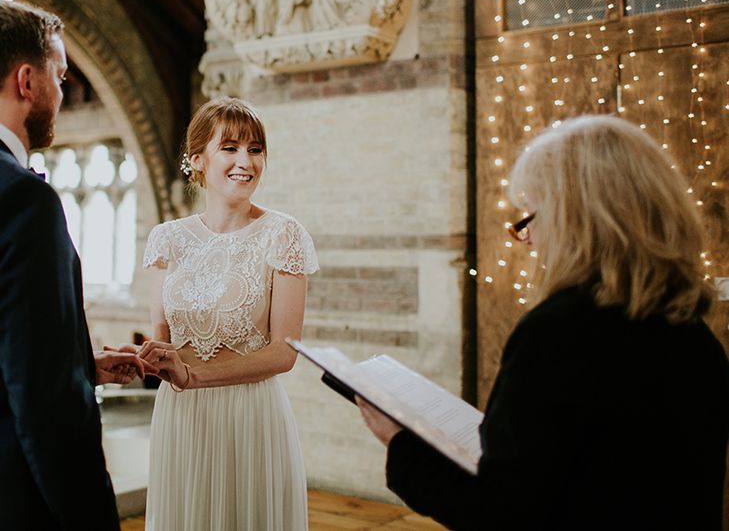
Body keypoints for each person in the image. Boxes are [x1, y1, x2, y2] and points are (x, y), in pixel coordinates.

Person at [357, 114, 729, 530]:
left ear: (578, 217)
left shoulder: (557, 333)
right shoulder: (693, 333)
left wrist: (402, 441)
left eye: (531, 215)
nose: (528, 237)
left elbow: (501, 512)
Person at [136, 97, 318, 530]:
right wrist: (143, 359)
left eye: (255, 149)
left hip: (250, 415)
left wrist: (194, 376)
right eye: (231, 147)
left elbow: (284, 353)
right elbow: (162, 339)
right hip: (181, 416)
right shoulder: (167, 240)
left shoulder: (283, 234)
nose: (246, 161)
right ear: (198, 159)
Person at [0, 0, 146, 530]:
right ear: (27, 82)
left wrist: (80, 361)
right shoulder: (22, 200)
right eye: (59, 77)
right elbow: (44, 401)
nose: (62, 94)